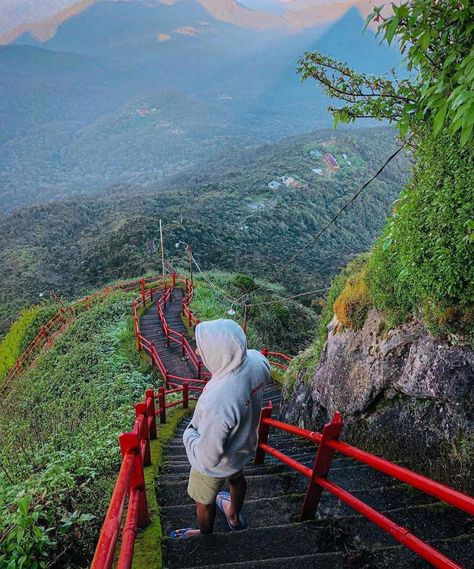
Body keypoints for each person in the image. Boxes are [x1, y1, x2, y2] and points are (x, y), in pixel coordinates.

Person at [170, 319, 270, 539]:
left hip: (215, 464)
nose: (197, 351)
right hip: (243, 447)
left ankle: (205, 535)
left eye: (203, 347)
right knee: (237, 479)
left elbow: (207, 458)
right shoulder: (256, 362)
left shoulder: (219, 400)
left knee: (203, 500)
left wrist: (188, 435)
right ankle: (234, 516)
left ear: (220, 354)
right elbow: (262, 366)